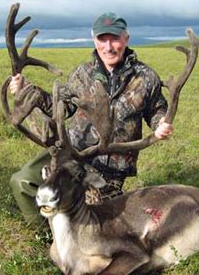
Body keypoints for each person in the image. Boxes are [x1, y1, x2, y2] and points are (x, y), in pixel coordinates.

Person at [9, 12, 173, 225]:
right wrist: (28, 91)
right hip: (71, 155)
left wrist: (161, 124)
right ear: (94, 40)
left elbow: (157, 109)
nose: (108, 46)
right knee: (22, 181)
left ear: (126, 39)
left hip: (111, 169)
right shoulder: (82, 74)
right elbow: (60, 107)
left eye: (115, 38)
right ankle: (44, 234)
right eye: (102, 39)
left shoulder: (145, 77)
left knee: (91, 215)